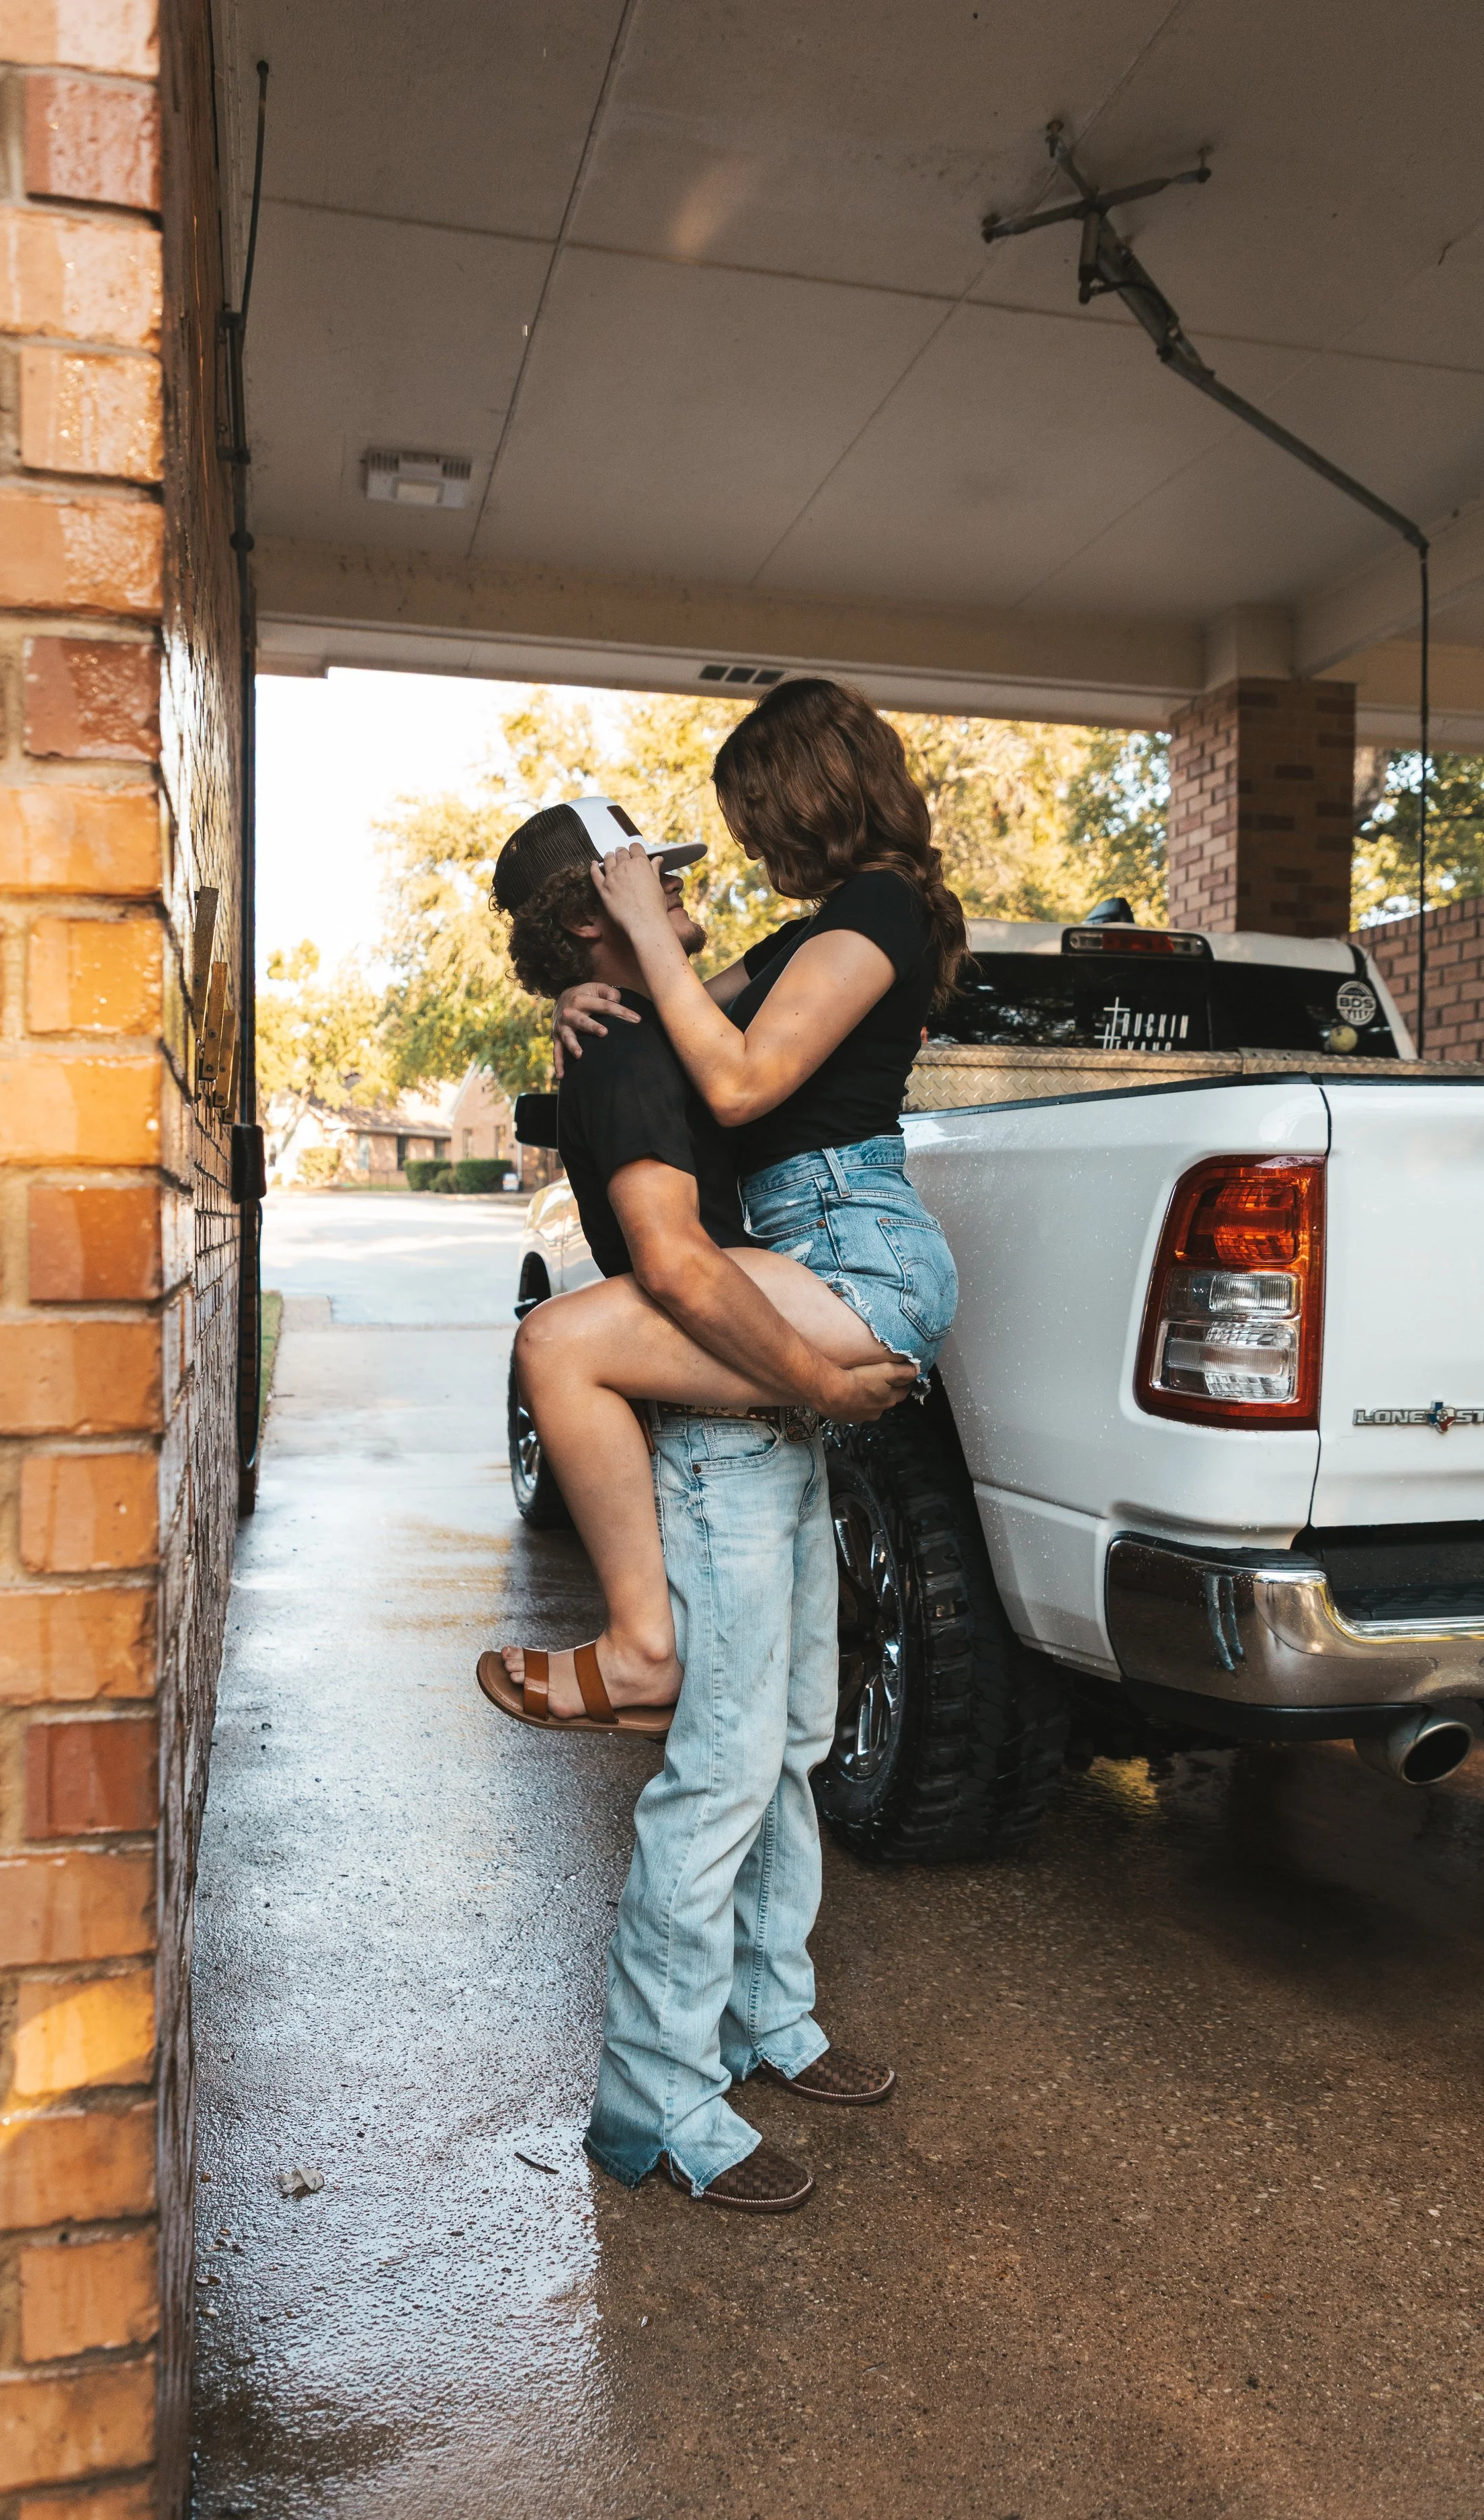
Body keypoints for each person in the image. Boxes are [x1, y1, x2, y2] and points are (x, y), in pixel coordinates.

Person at [475, 804, 901, 2211]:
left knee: (784, 1743)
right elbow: (671, 1265)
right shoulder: (633, 1060)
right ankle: (654, 2105)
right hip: (719, 1443)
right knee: (718, 1773)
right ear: (599, 909)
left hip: (758, 1425)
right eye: (656, 883)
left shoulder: (637, 1023)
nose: (683, 899)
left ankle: (766, 2022)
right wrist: (820, 1384)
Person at [538, 677, 964, 1717]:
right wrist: (576, 996)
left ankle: (643, 1650)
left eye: (754, 818)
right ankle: (662, 1652)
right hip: (808, 1242)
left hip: (856, 1252)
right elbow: (679, 1031)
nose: (749, 845)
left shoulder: (881, 908)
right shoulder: (806, 937)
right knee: (567, 1343)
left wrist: (641, 920)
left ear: (808, 795)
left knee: (557, 1345)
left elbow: (736, 1082)